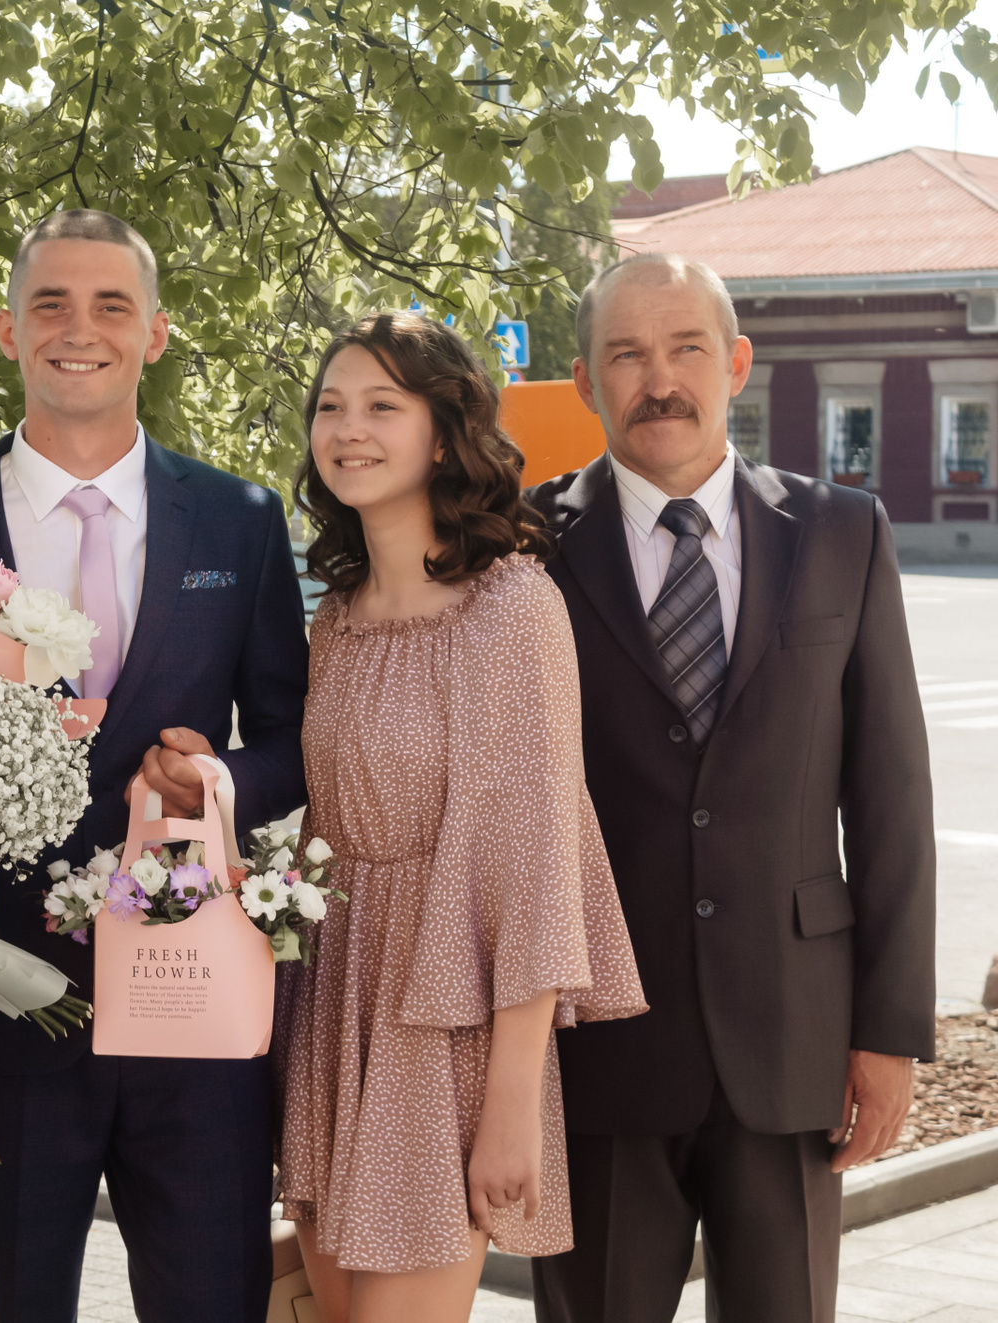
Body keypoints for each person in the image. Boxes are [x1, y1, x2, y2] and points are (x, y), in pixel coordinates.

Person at [0, 209, 310, 1323]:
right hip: (2, 999)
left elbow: (294, 739)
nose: (79, 329)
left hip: (194, 993)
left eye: (111, 305)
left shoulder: (237, 519)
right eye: (51, 304)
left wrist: (220, 780)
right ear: (7, 330)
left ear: (155, 334)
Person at [527, 252, 936, 1323]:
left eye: (687, 349)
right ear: (585, 381)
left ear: (737, 363)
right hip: (596, 1047)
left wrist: (890, 1032)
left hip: (793, 1040)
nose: (659, 380)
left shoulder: (844, 532)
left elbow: (891, 799)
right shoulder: (522, 548)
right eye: (627, 355)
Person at [273, 311, 646, 1323]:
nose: (348, 429)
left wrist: (512, 1102)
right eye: (331, 407)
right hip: (334, 1008)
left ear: (443, 435)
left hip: (445, 1027)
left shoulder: (510, 608)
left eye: (381, 406)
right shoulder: (336, 617)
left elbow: (537, 863)